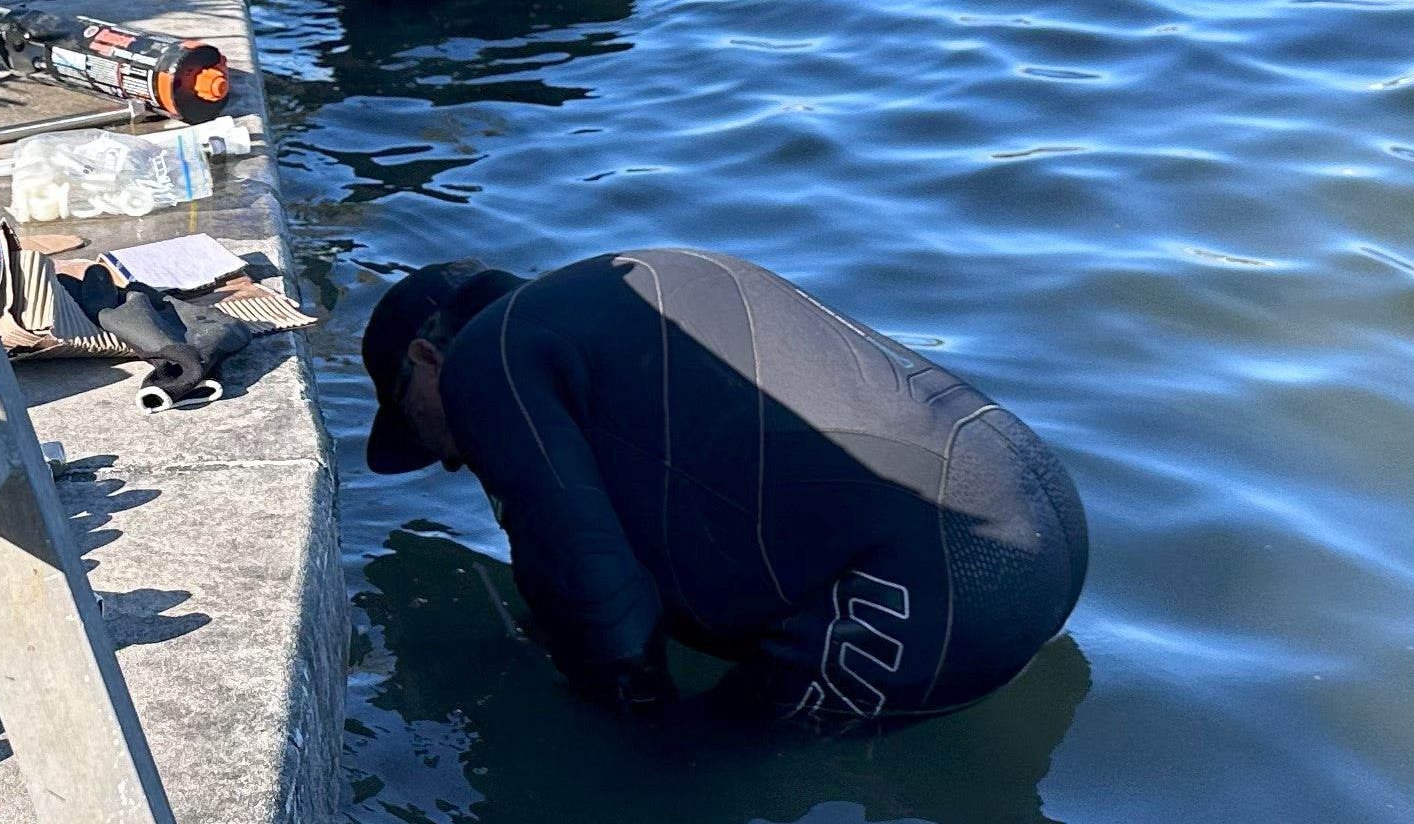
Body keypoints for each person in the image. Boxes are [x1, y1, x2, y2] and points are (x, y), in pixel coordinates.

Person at [359, 250, 1087, 730]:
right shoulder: (633, 291)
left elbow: (593, 594)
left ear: (427, 360)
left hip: (939, 585)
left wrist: (633, 729)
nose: (443, 461)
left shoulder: (483, 362)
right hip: (1041, 508)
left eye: (413, 424)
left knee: (692, 782)